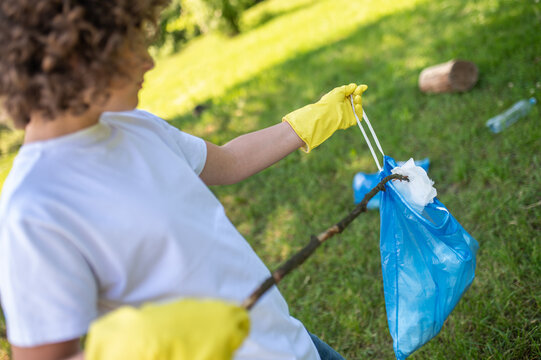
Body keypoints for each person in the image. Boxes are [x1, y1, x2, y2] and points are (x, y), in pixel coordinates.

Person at [0, 1, 367, 359]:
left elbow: (231, 161)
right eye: (129, 46)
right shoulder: (33, 206)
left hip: (286, 339)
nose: (149, 60)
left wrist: (312, 121)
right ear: (76, 59)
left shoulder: (137, 126)